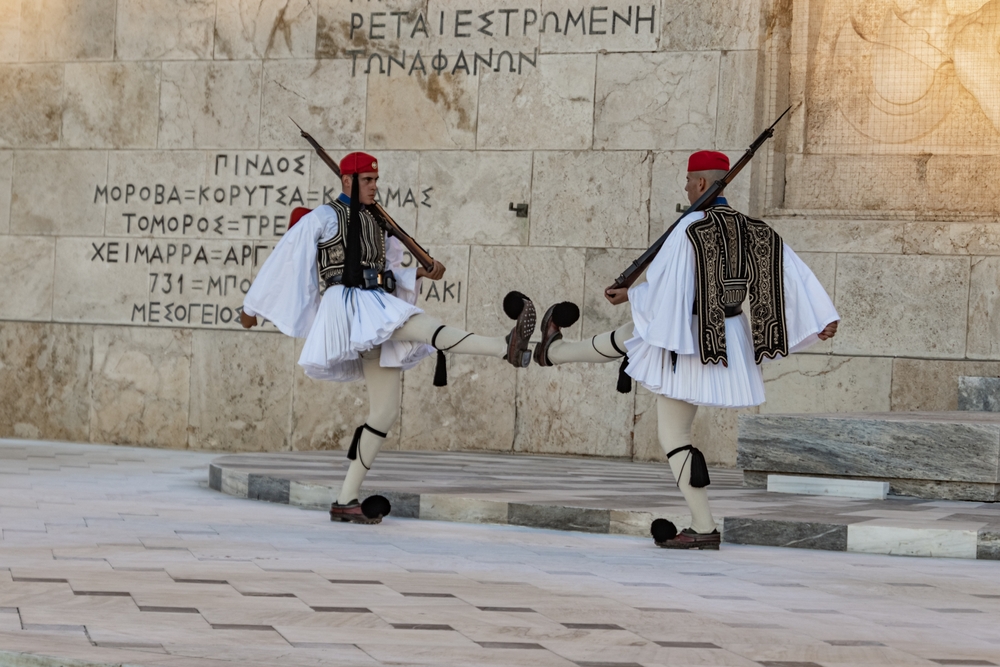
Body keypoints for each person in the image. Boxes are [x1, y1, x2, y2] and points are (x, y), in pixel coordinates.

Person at [532, 150, 839, 550]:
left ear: (699, 184)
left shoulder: (690, 227)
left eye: (687, 181)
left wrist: (630, 294)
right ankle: (551, 351)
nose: (684, 187)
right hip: (729, 334)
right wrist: (822, 317)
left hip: (690, 336)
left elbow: (668, 287)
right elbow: (793, 274)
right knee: (629, 338)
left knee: (673, 433)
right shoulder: (755, 229)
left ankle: (704, 525)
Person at [240, 152, 536, 524]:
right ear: (347, 181)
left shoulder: (377, 221)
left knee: (384, 411)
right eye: (368, 181)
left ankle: (346, 499)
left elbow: (388, 271)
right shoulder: (325, 217)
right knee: (424, 327)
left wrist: (422, 273)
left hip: (375, 303)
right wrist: (252, 308)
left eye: (375, 181)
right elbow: (285, 258)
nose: (375, 187)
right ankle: (503, 345)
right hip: (350, 306)